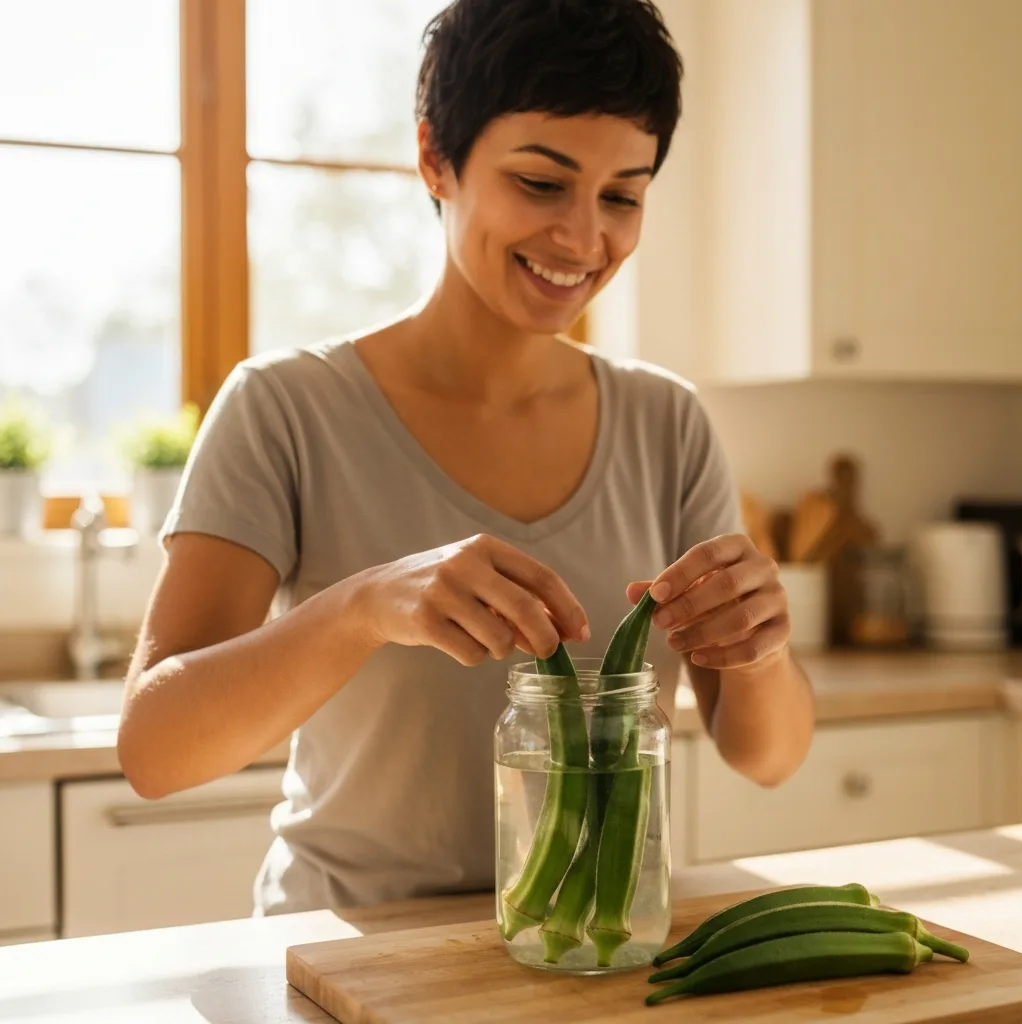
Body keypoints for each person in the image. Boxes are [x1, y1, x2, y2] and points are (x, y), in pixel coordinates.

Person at [117, 0, 814, 917]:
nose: (582, 238)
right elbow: (155, 750)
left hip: (592, 954)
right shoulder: (286, 407)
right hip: (345, 961)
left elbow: (765, 756)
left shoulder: (666, 422)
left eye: (622, 196)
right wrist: (363, 608)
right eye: (539, 183)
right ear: (434, 159)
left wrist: (761, 651)